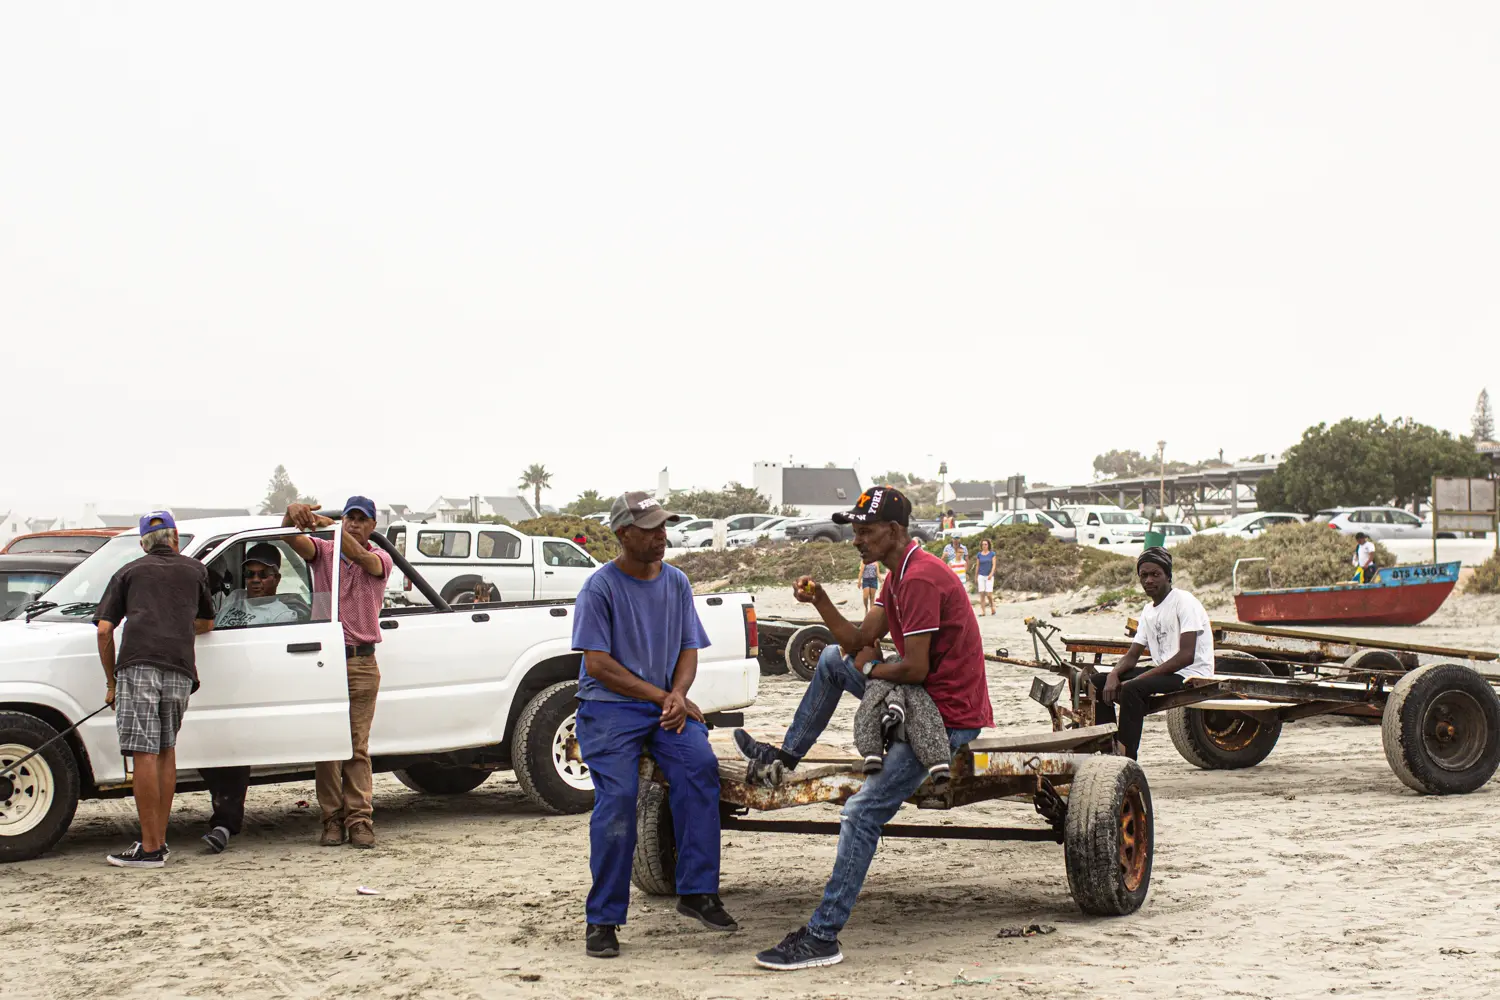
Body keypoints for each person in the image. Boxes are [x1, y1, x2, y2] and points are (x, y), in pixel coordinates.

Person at [733, 486, 992, 970]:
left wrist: (873, 673)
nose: (856, 539)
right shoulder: (899, 574)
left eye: (865, 531)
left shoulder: (919, 579)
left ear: (894, 531)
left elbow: (913, 669)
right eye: (854, 530)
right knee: (832, 659)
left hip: (943, 717)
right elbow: (856, 641)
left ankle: (823, 935)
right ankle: (785, 757)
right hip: (913, 697)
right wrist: (822, 602)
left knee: (861, 813)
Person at [571, 492, 738, 960]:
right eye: (650, 529)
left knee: (700, 768)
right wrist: (662, 696)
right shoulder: (599, 588)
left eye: (664, 527)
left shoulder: (677, 582)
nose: (662, 536)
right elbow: (598, 664)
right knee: (619, 799)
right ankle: (602, 919)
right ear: (624, 534)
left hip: (665, 705)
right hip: (609, 707)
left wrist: (679, 696)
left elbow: (689, 648)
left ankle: (697, 891)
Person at [94, 511, 215, 868]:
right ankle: (158, 842)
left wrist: (111, 683)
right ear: (175, 539)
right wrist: (174, 626)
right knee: (166, 748)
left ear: (144, 543)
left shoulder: (129, 572)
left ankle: (149, 849)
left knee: (143, 752)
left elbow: (103, 630)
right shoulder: (196, 571)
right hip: (180, 668)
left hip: (138, 665)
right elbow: (207, 621)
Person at [284, 496, 393, 849]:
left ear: (373, 526)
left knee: (356, 747)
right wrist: (292, 514)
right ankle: (331, 819)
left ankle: (360, 820)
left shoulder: (380, 558)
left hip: (361, 662)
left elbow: (364, 559)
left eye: (362, 519)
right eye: (350, 518)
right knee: (328, 747)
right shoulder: (323, 551)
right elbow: (288, 537)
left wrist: (326, 525)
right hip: (325, 660)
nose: (355, 524)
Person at [198, 542, 300, 854]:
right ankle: (224, 811)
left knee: (233, 754)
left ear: (277, 578)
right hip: (216, 685)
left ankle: (226, 822)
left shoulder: (284, 614)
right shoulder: (234, 598)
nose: (255, 580)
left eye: (263, 575)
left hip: (249, 691)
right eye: (250, 574)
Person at [1088, 547, 1214, 759]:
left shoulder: (1184, 601)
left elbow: (1186, 656)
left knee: (1132, 689)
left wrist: (1138, 680)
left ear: (1168, 576)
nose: (1149, 580)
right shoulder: (1148, 610)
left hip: (1191, 673)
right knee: (1097, 682)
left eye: (1155, 574)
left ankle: (1127, 756)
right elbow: (1132, 655)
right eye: (1144, 575)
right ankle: (1109, 747)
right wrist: (1113, 674)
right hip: (1166, 672)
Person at [974, 538, 997, 615]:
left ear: (988, 545)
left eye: (985, 544)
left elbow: (994, 565)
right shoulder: (979, 555)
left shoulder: (992, 554)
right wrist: (976, 576)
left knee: (989, 594)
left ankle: (992, 606)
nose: (984, 546)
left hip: (989, 576)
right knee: (982, 593)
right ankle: (983, 611)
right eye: (983, 544)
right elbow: (977, 566)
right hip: (981, 575)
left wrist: (991, 574)